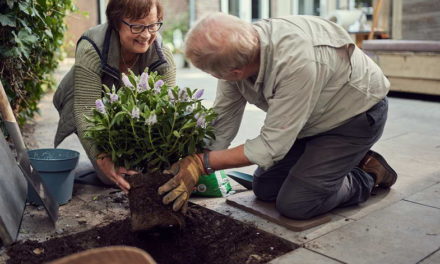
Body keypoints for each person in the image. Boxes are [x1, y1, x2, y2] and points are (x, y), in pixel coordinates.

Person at [158, 13, 398, 219]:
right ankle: (331, 162)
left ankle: (366, 173)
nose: (212, 77)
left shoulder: (296, 62)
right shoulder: (239, 53)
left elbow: (272, 146)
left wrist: (202, 163)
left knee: (297, 204)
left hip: (353, 118)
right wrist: (187, 162)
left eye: (210, 72)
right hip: (309, 121)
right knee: (264, 188)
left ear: (236, 71)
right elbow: (222, 123)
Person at [53, 0, 176, 192]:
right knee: (109, 176)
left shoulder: (162, 58)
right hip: (88, 103)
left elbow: (167, 111)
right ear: (116, 23)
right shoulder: (92, 47)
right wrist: (101, 157)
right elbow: (87, 109)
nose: (146, 35)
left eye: (152, 25)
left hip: (128, 111)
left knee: (147, 169)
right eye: (136, 27)